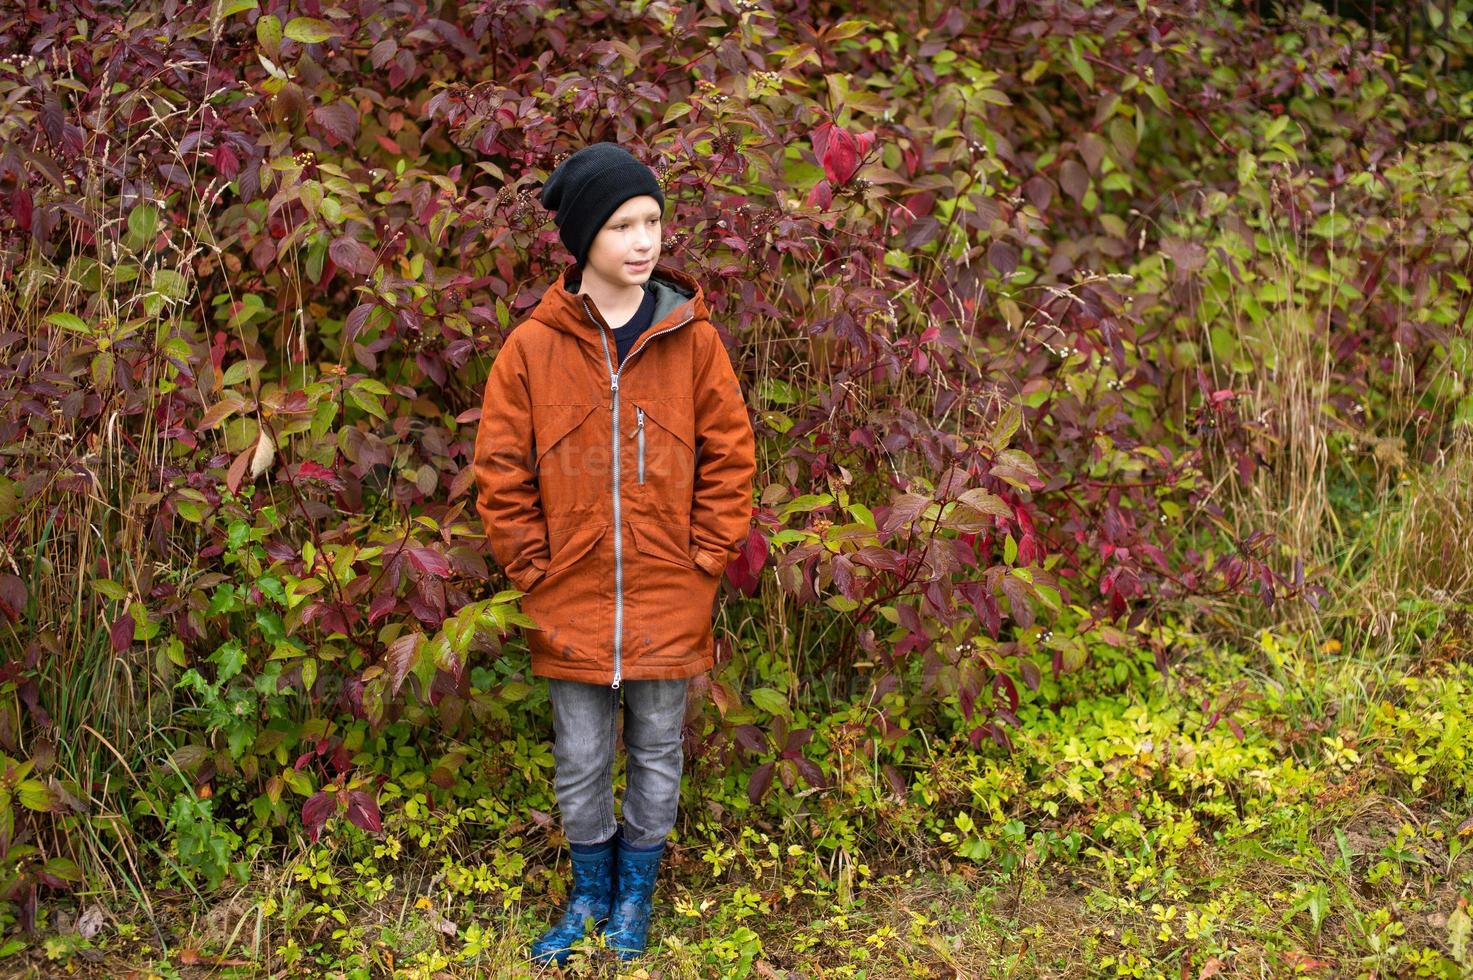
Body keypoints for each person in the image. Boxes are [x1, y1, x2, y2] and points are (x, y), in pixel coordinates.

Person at [471, 141, 757, 965]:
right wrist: (533, 567)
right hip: (569, 592)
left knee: (660, 747)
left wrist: (706, 557)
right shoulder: (532, 347)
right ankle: (589, 893)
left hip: (672, 586)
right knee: (582, 756)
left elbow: (730, 456)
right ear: (584, 237)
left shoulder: (690, 338)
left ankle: (636, 897)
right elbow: (499, 469)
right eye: (623, 224)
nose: (644, 240)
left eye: (653, 221)